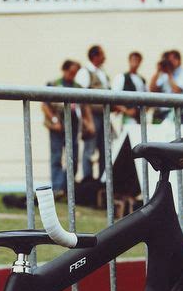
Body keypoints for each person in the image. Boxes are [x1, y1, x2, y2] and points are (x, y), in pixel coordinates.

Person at [42, 60, 93, 196]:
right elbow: (45, 105)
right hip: (57, 127)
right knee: (56, 157)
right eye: (71, 72)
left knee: (73, 158)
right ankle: (57, 188)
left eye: (75, 73)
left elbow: (85, 106)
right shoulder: (53, 84)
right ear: (64, 70)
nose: (73, 75)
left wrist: (89, 123)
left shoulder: (78, 87)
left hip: (74, 127)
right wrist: (54, 120)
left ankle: (67, 187)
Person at [75, 45, 110, 180]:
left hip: (103, 115)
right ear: (95, 56)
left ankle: (103, 179)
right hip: (91, 115)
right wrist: (87, 120)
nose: (104, 57)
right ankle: (88, 179)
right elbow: (81, 98)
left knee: (104, 148)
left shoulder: (101, 72)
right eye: (102, 54)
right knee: (90, 149)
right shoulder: (85, 72)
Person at [149, 50, 183, 123]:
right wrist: (158, 71)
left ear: (178, 60)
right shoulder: (164, 75)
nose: (169, 63)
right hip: (163, 112)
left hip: (179, 112)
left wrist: (169, 74)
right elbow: (152, 89)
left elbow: (177, 90)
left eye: (171, 61)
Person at [112, 51, 147, 124]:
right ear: (129, 60)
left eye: (137, 60)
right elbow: (114, 98)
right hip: (124, 116)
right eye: (133, 60)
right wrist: (126, 111)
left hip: (139, 117)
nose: (135, 63)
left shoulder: (142, 80)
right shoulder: (121, 77)